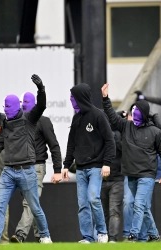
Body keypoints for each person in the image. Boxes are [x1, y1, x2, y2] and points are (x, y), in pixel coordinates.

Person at [0, 74, 57, 244]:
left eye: (7, 106)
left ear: (14, 107)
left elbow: (41, 105)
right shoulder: (4, 122)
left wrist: (41, 89)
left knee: (34, 207)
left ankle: (45, 236)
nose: (5, 109)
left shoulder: (29, 120)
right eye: (3, 106)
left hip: (27, 171)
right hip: (8, 172)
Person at [101, 83, 161, 243]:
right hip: (130, 175)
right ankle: (155, 237)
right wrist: (106, 99)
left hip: (146, 175)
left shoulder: (155, 132)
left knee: (138, 205)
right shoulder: (126, 126)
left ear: (144, 113)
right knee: (144, 208)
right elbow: (111, 116)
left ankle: (132, 235)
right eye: (133, 109)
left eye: (138, 110)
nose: (134, 112)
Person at [62, 83, 116, 244]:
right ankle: (87, 237)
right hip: (81, 169)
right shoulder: (76, 118)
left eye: (73, 97)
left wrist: (107, 163)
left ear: (80, 98)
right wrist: (66, 165)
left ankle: (102, 233)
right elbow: (71, 144)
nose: (71, 100)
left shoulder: (98, 115)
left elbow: (110, 141)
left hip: (96, 167)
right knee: (82, 204)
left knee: (93, 199)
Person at [11, 92, 62, 243]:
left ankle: (20, 234)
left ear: (34, 103)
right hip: (22, 167)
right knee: (32, 203)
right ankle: (42, 236)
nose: (23, 104)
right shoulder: (20, 122)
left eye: (26, 101)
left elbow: (54, 145)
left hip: (37, 166)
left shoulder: (43, 121)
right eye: (22, 102)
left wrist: (58, 170)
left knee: (29, 202)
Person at [100, 111, 124, 243]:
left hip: (117, 179)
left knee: (114, 210)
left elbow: (123, 148)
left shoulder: (121, 134)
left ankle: (113, 238)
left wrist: (114, 136)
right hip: (102, 179)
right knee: (104, 212)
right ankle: (105, 237)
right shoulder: (101, 134)